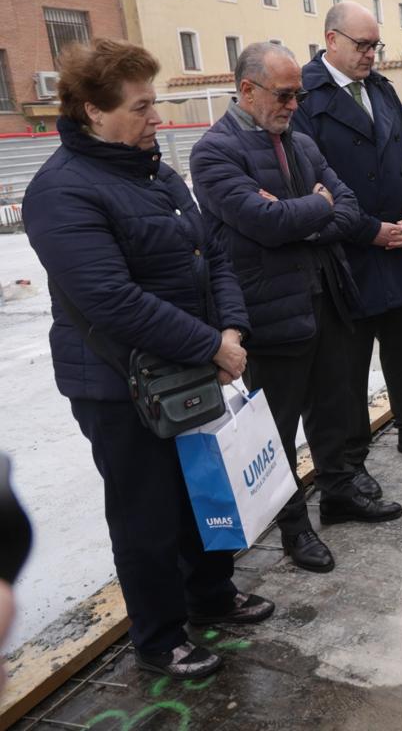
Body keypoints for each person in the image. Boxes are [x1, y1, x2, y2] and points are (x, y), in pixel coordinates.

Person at [24, 39, 275, 679]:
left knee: (202, 486)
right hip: (118, 385)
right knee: (147, 513)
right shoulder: (61, 192)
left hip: (192, 364)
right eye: (140, 109)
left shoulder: (156, 172)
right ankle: (160, 638)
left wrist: (232, 328)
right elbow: (111, 300)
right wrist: (209, 345)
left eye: (154, 105)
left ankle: (211, 596)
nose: (155, 119)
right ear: (91, 111)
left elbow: (209, 254)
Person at [192, 42, 402, 575]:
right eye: (284, 95)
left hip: (328, 295)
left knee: (336, 406)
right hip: (271, 311)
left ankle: (339, 494)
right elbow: (263, 223)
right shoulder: (214, 152)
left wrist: (299, 216)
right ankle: (294, 528)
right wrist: (314, 209)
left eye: (298, 95)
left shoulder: (302, 143)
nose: (293, 104)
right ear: (247, 90)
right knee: (280, 427)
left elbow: (348, 208)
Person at [294, 2, 402, 478]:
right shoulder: (306, 97)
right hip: (347, 252)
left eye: (375, 45)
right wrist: (370, 230)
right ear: (331, 40)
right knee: (348, 362)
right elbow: (311, 183)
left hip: (398, 242)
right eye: (361, 45)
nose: (370, 54)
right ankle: (351, 457)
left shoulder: (381, 90)